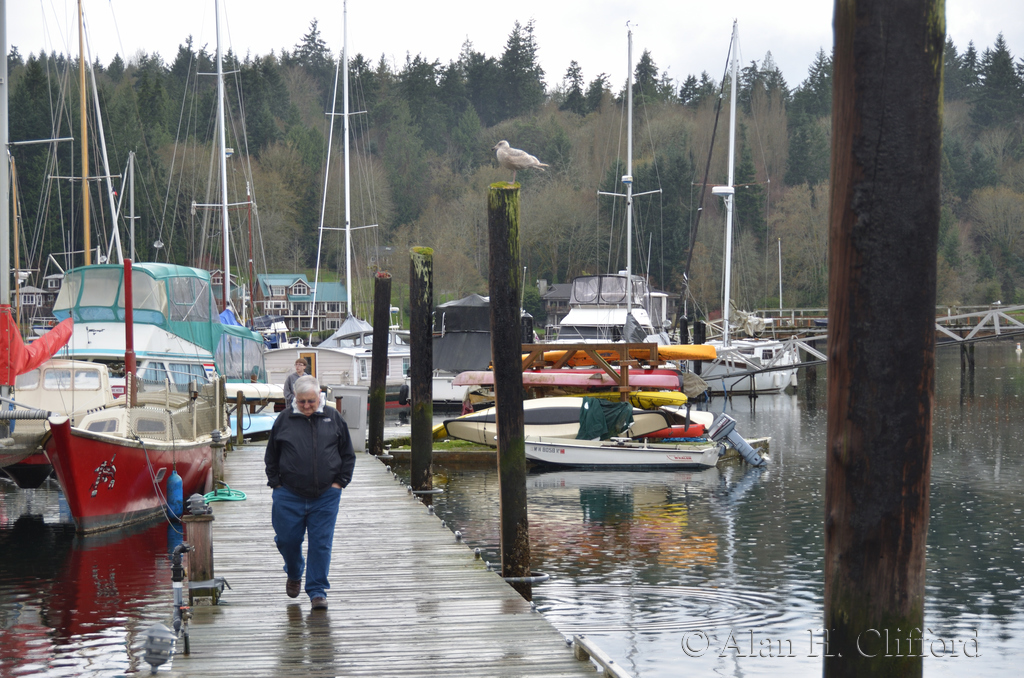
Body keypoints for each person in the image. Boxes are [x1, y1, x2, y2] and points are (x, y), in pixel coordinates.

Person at [264, 375, 355, 610]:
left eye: (311, 401)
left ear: (319, 396)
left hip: (326, 495)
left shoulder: (333, 417)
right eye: (302, 401)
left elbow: (347, 453)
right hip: (288, 494)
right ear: (295, 398)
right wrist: (276, 483)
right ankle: (294, 572)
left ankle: (317, 591)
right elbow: (271, 455)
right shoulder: (284, 419)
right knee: (287, 540)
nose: (306, 406)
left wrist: (340, 483)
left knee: (321, 544)